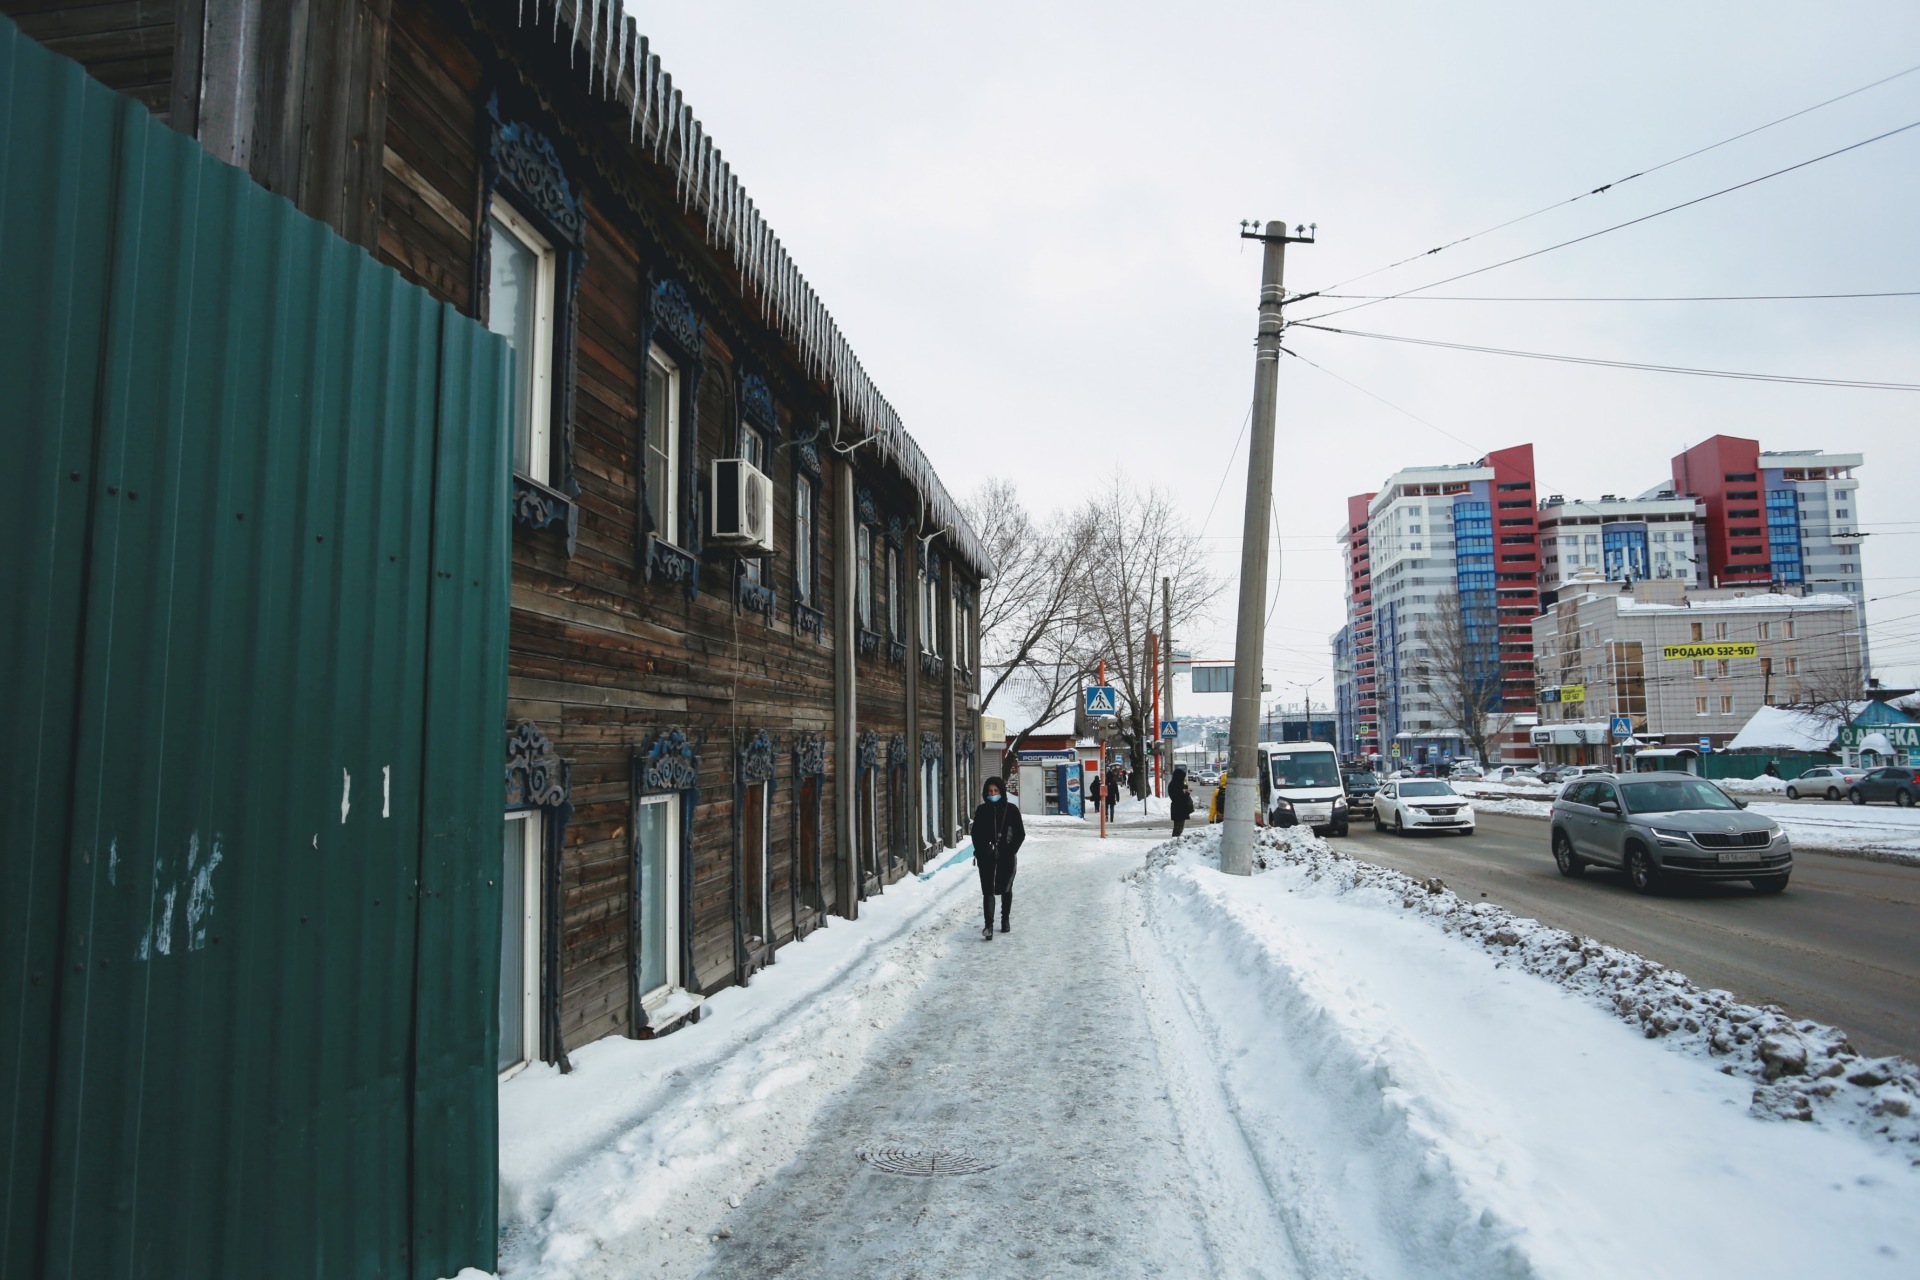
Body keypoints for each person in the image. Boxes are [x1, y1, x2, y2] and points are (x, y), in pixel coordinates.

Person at [970, 776, 1025, 940]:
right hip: (986, 856)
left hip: (1006, 857)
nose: (993, 794)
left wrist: (1010, 850)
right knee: (988, 889)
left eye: (996, 791)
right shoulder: (982, 810)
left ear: (1001, 791)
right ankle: (989, 925)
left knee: (1006, 887)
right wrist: (981, 850)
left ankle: (1005, 919)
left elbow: (1020, 833)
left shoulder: (1011, 810)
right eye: (990, 791)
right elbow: (975, 833)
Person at [1170, 766, 1194, 837]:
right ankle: (1175, 841)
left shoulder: (1174, 784)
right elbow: (1179, 798)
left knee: (1178, 827)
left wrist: (1185, 792)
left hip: (1177, 809)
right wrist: (1186, 794)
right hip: (1179, 809)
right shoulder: (1176, 785)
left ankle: (1175, 840)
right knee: (1178, 828)